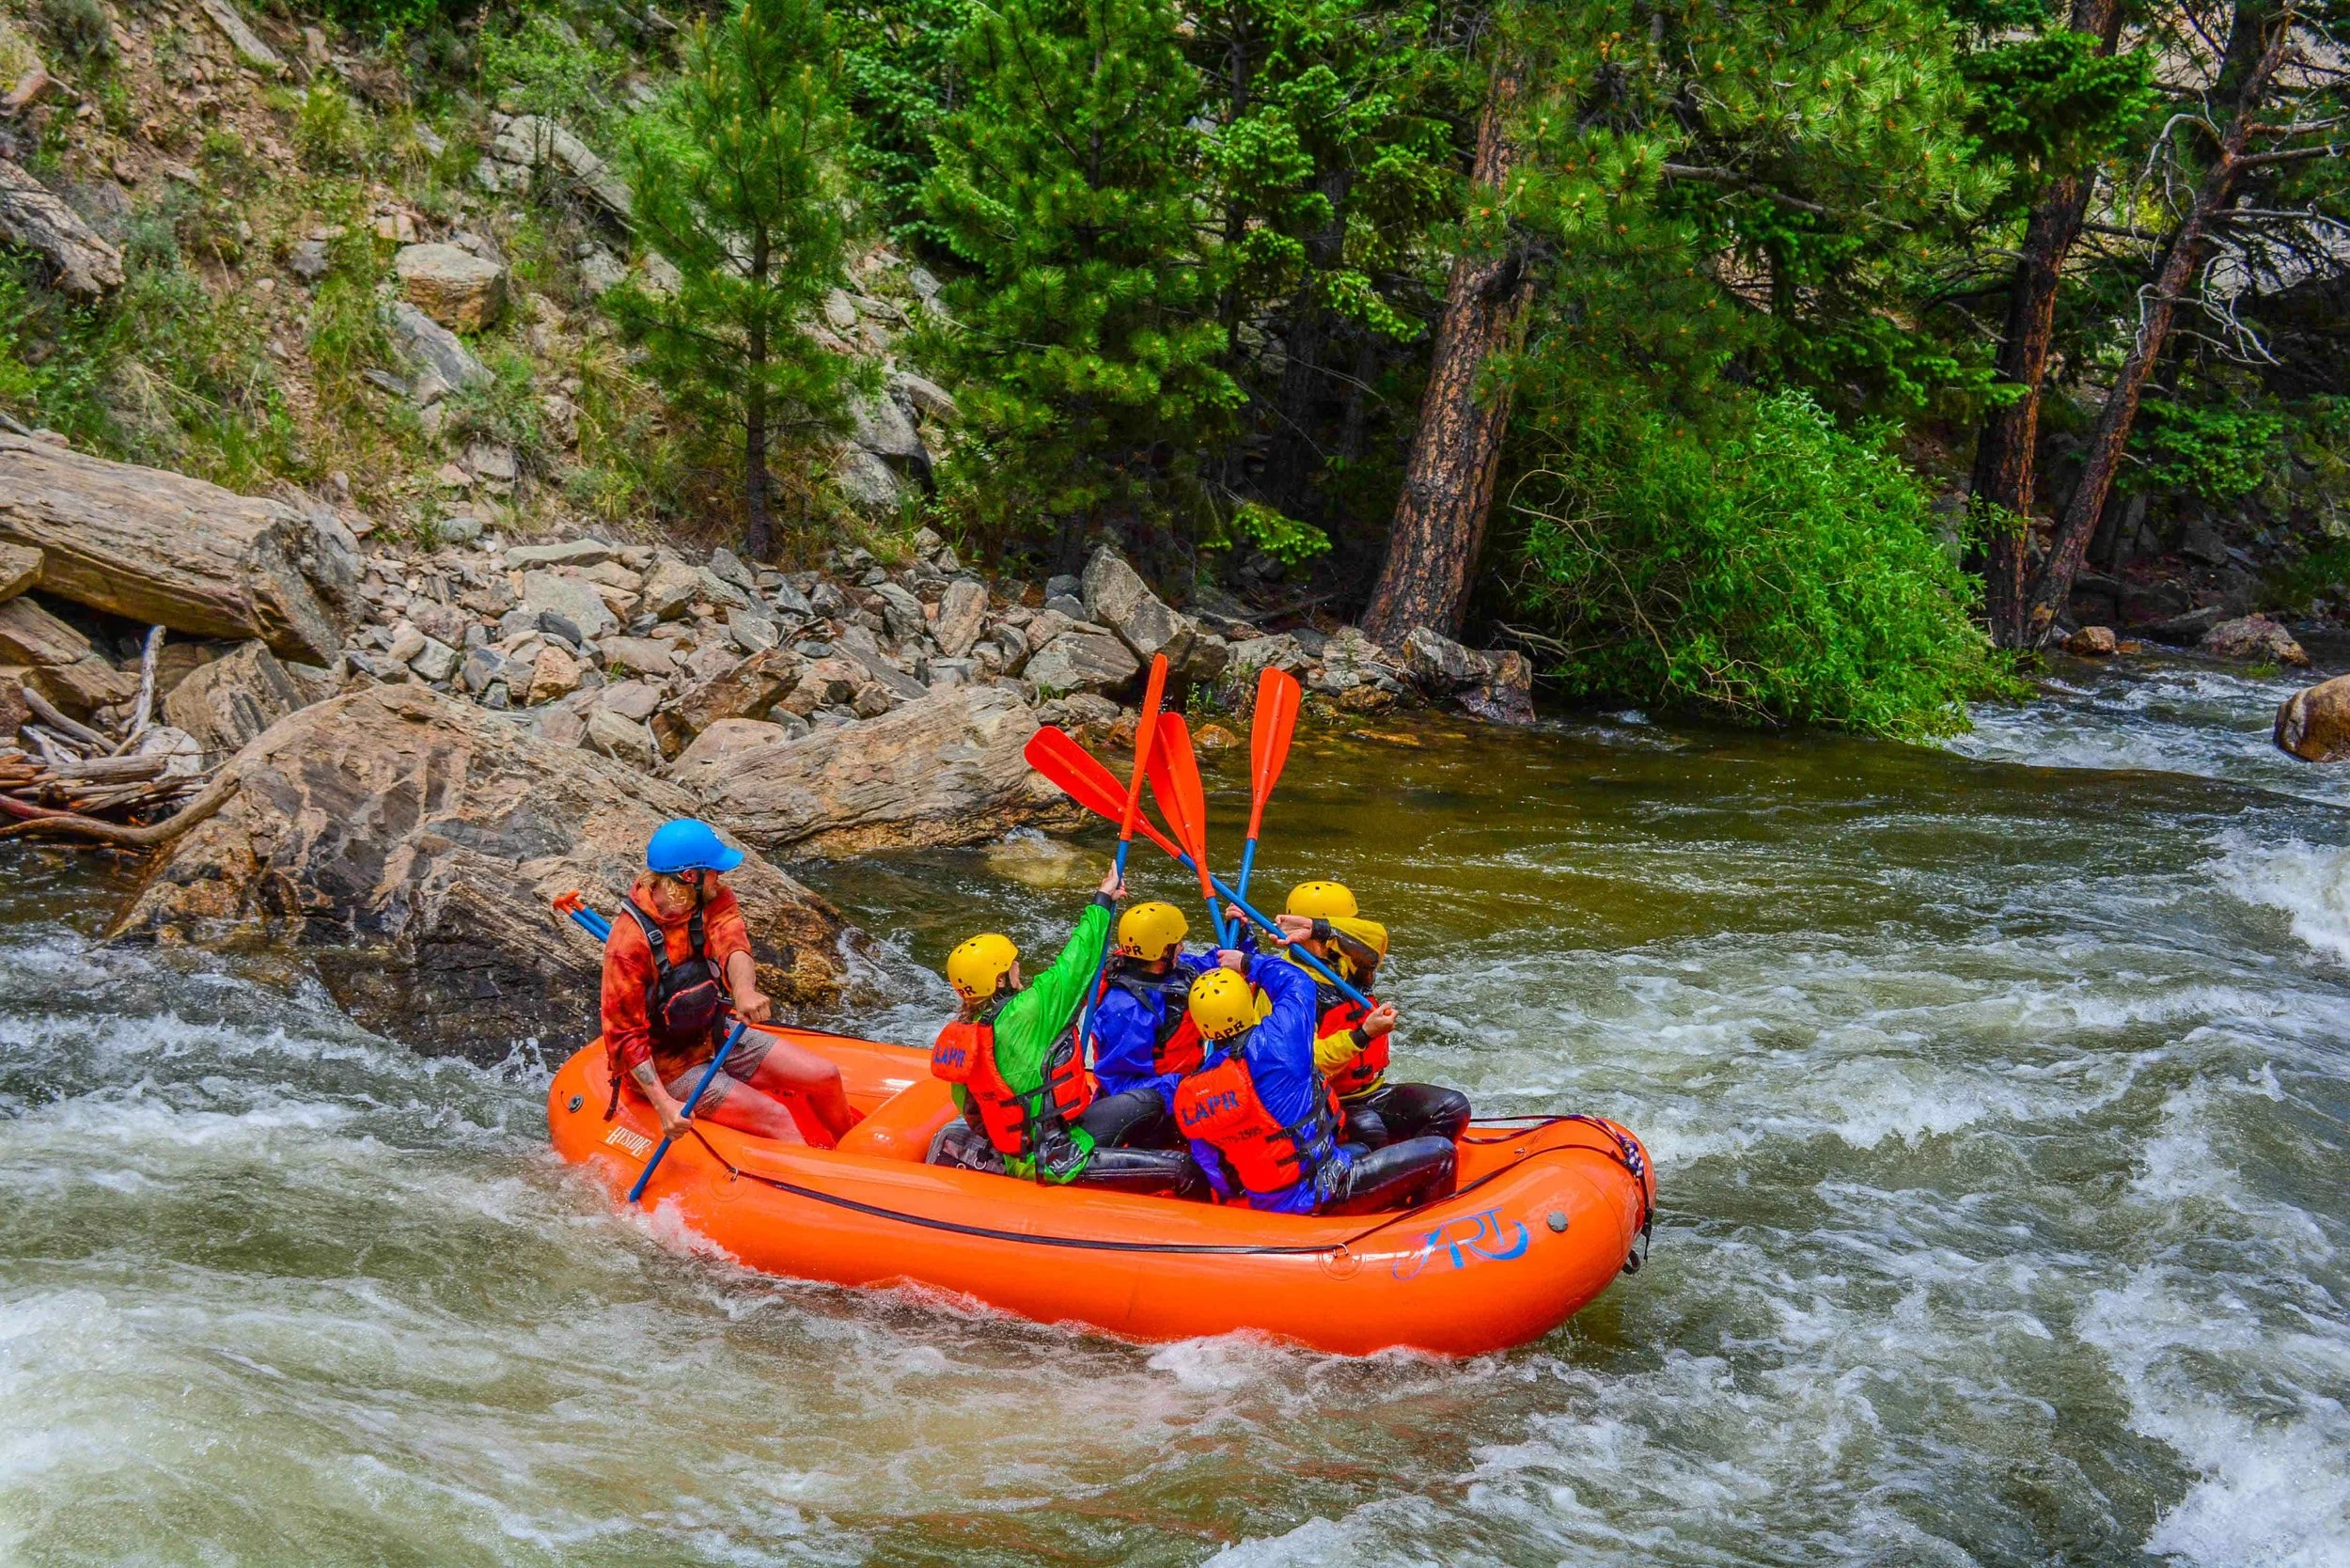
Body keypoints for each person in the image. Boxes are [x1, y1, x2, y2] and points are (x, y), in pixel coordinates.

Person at [930, 870, 1202, 1197]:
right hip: (1058, 1158)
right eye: (1012, 965)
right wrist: (1102, 900)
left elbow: (973, 1110)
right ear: (999, 980)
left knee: (1148, 1101)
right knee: (1182, 1169)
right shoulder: (1028, 1012)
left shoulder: (960, 1036)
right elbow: (1076, 963)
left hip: (1032, 1143)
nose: (1019, 968)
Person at [603, 818, 857, 1148]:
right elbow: (624, 1037)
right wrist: (663, 1104)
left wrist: (744, 991)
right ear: (688, 876)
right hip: (671, 1068)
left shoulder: (712, 898)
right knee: (776, 1116)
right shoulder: (627, 944)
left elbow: (733, 945)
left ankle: (852, 1152)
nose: (720, 875)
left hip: (715, 1033)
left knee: (825, 1075)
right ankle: (821, 1187)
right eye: (713, 869)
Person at [1173, 947, 1457, 1215]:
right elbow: (1298, 982)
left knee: (1363, 1147)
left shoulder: (1194, 1087)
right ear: (1246, 1004)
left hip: (1268, 1197)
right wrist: (1248, 963)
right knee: (1442, 1152)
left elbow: (1212, 1166)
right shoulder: (1281, 1039)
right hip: (1325, 1190)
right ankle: (1419, 1238)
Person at [1277, 881, 1471, 1152]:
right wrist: (1362, 1034)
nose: (1343, 938)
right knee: (1370, 1130)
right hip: (1321, 1102)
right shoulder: (1285, 985)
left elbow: (1376, 936)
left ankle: (1416, 1167)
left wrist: (1325, 928)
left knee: (1453, 1108)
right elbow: (1304, 1064)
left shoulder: (1351, 962)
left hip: (1372, 1090)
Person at [1081, 901, 1214, 1149]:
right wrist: (1188, 1085)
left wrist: (1240, 940)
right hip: (1149, 1112)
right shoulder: (1126, 1010)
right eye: (1177, 943)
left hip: (1183, 1090)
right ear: (1161, 950)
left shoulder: (1167, 967)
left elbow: (1209, 965)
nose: (1182, 946)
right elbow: (1118, 1084)